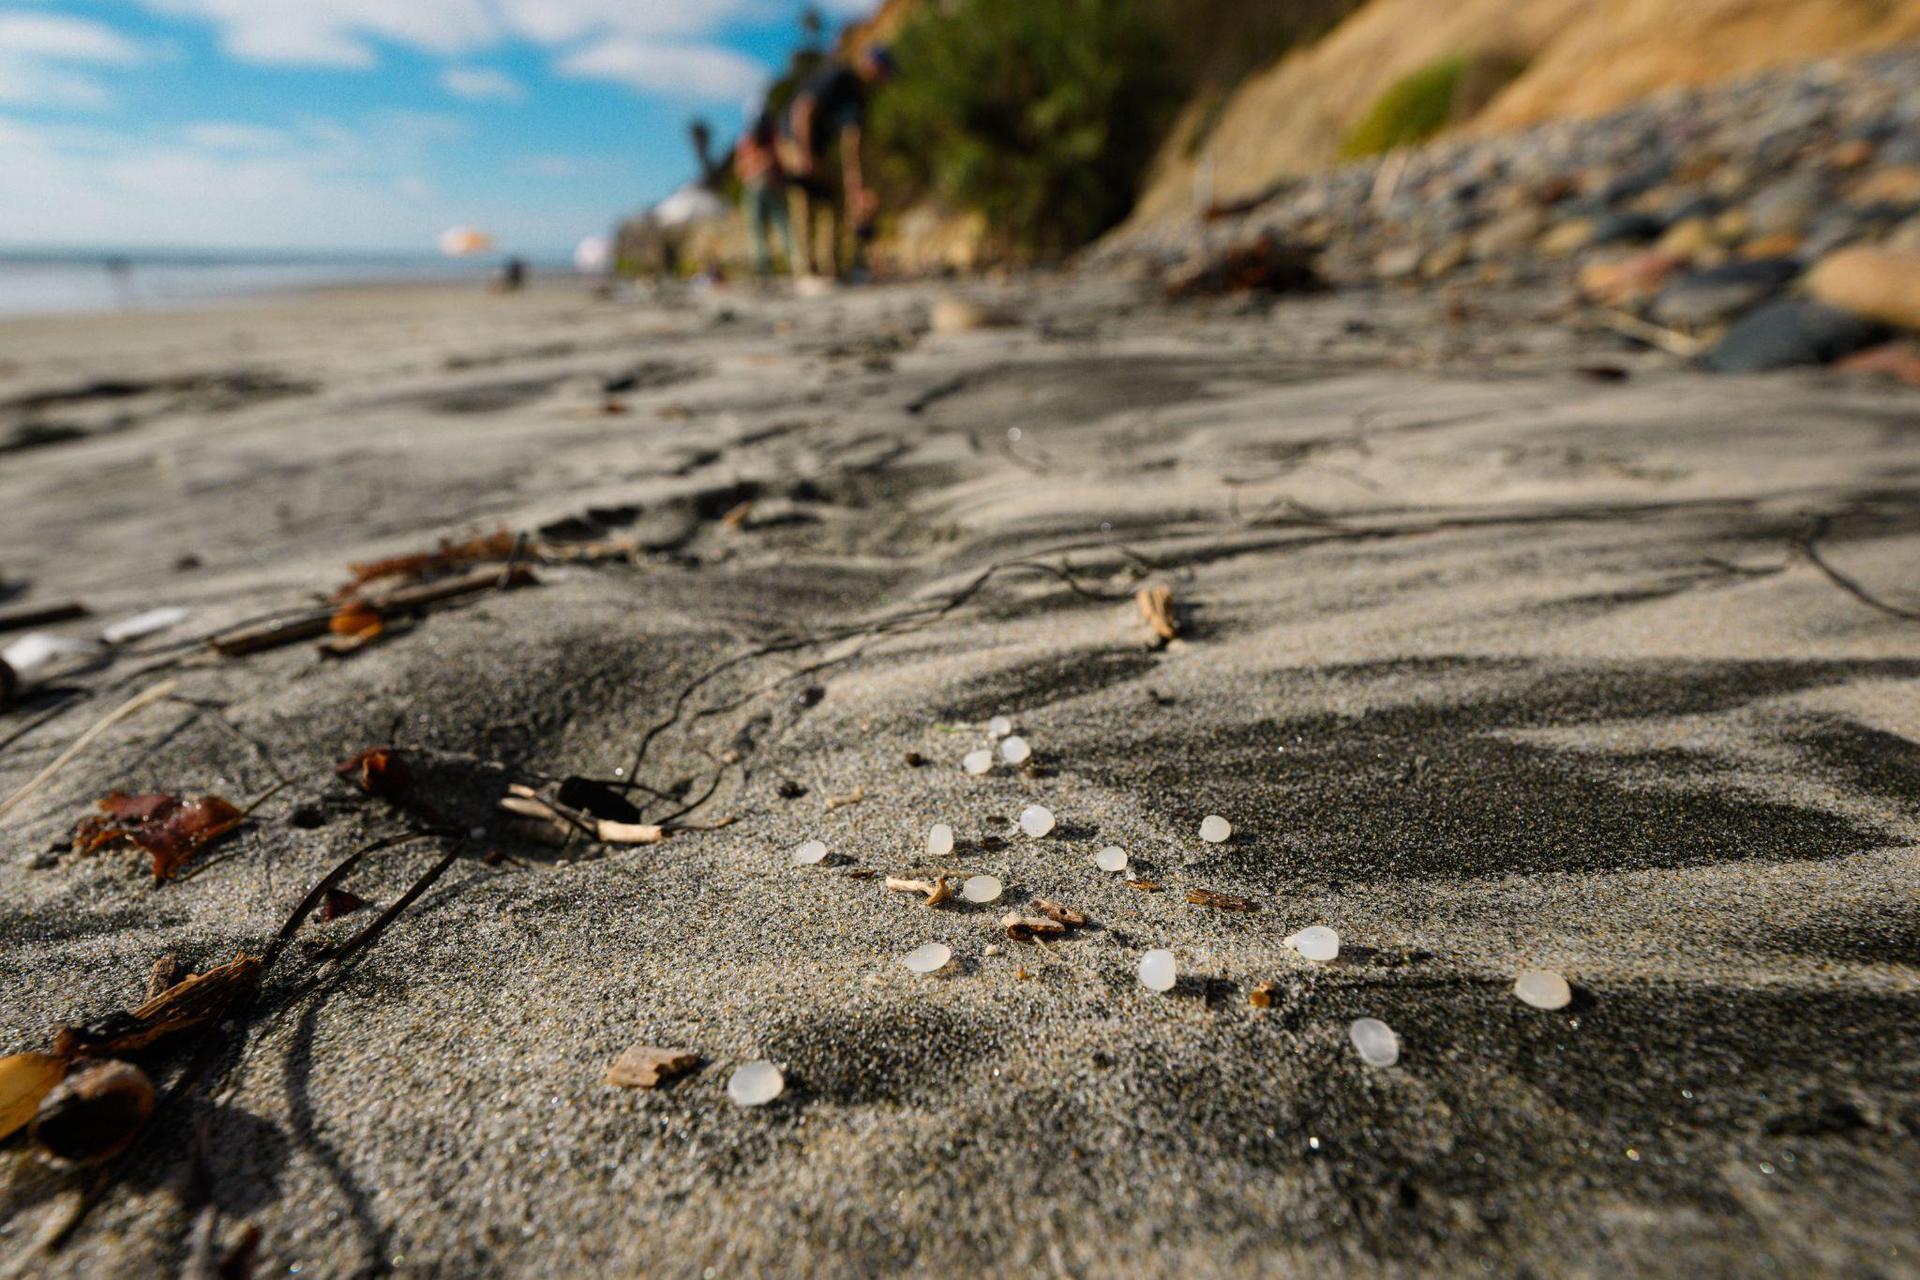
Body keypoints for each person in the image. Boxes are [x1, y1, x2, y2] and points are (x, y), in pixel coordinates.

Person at [780, 45, 895, 279]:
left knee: (831, 201)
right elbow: (803, 109)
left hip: (818, 149)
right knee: (804, 201)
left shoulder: (860, 98)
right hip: (794, 140)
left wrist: (855, 186)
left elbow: (851, 145)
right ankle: (806, 271)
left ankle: (830, 268)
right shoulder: (838, 76)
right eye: (885, 72)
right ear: (873, 65)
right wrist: (804, 153)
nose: (886, 80)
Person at [734, 109, 796, 279]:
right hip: (764, 185)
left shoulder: (750, 140)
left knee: (771, 230)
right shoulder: (765, 139)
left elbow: (739, 168)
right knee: (773, 229)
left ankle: (776, 270)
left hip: (760, 186)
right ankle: (777, 270)